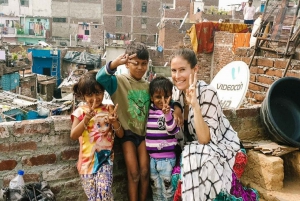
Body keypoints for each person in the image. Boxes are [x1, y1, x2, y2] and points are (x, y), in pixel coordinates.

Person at [96, 42, 182, 201]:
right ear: (127, 63)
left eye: (144, 64)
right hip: (127, 134)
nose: (140, 68)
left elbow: (165, 99)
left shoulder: (148, 86)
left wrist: (176, 108)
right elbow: (100, 77)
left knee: (144, 172)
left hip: (145, 135)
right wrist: (116, 63)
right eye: (136, 63)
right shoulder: (118, 82)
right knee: (134, 173)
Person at [169, 48, 259, 201]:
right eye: (173, 70)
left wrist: (195, 106)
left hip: (221, 147)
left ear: (195, 69)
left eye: (182, 70)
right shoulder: (176, 92)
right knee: (183, 170)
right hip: (194, 150)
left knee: (199, 169)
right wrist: (177, 107)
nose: (177, 76)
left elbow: (205, 139)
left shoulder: (207, 93)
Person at [70, 71, 124, 201]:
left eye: (98, 93)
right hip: (86, 164)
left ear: (103, 91)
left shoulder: (109, 109)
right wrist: (85, 120)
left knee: (104, 192)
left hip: (105, 161)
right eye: (89, 95)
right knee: (93, 198)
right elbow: (73, 135)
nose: (95, 98)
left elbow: (121, 134)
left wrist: (114, 121)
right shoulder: (80, 112)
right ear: (83, 96)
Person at [146, 76, 180, 201]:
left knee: (168, 191)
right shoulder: (149, 112)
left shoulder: (171, 112)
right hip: (152, 160)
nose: (162, 100)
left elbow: (172, 129)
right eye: (158, 97)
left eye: (166, 96)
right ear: (151, 97)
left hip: (167, 160)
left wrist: (167, 114)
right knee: (155, 189)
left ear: (171, 96)